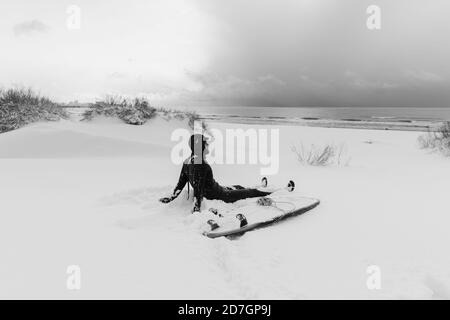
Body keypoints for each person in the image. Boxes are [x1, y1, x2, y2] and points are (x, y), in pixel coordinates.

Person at [159, 134, 273, 213]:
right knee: (249, 192)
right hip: (221, 195)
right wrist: (197, 207)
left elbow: (180, 184)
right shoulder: (201, 165)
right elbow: (198, 189)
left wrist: (171, 197)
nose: (208, 146)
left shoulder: (187, 161)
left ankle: (258, 187)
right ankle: (270, 192)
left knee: (237, 186)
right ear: (201, 146)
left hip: (218, 189)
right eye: (206, 144)